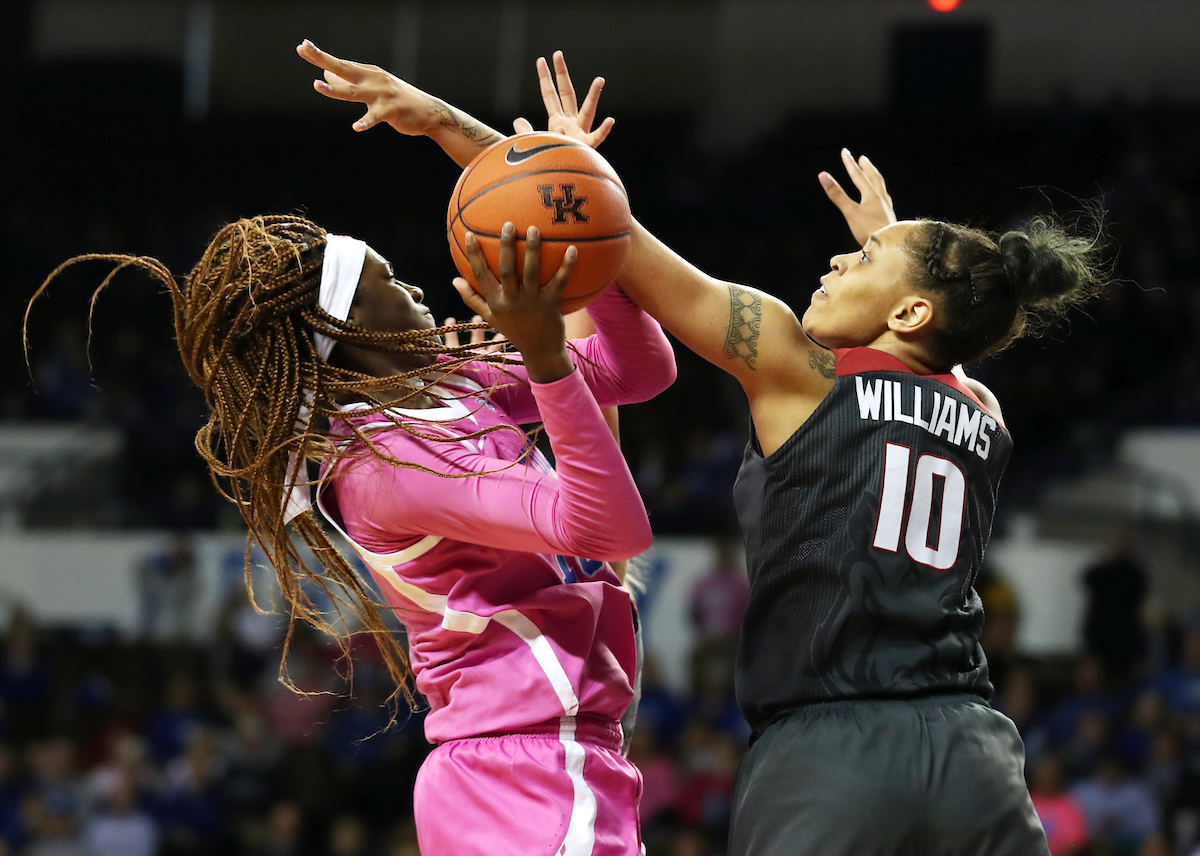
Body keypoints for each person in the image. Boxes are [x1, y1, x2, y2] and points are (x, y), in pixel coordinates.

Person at [305, 43, 1109, 853]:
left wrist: (455, 128)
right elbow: (948, 340)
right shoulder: (983, 408)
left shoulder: (799, 367)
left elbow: (600, 227)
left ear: (906, 315)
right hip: (975, 749)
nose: (838, 257)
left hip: (833, 750)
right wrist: (898, 259)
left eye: (861, 258)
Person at [27, 65, 676, 854]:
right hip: (522, 772)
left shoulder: (447, 385)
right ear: (355, 333)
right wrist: (544, 360)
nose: (419, 291)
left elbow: (640, 371)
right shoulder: (384, 468)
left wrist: (578, 215)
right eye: (392, 281)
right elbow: (612, 529)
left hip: (553, 759)